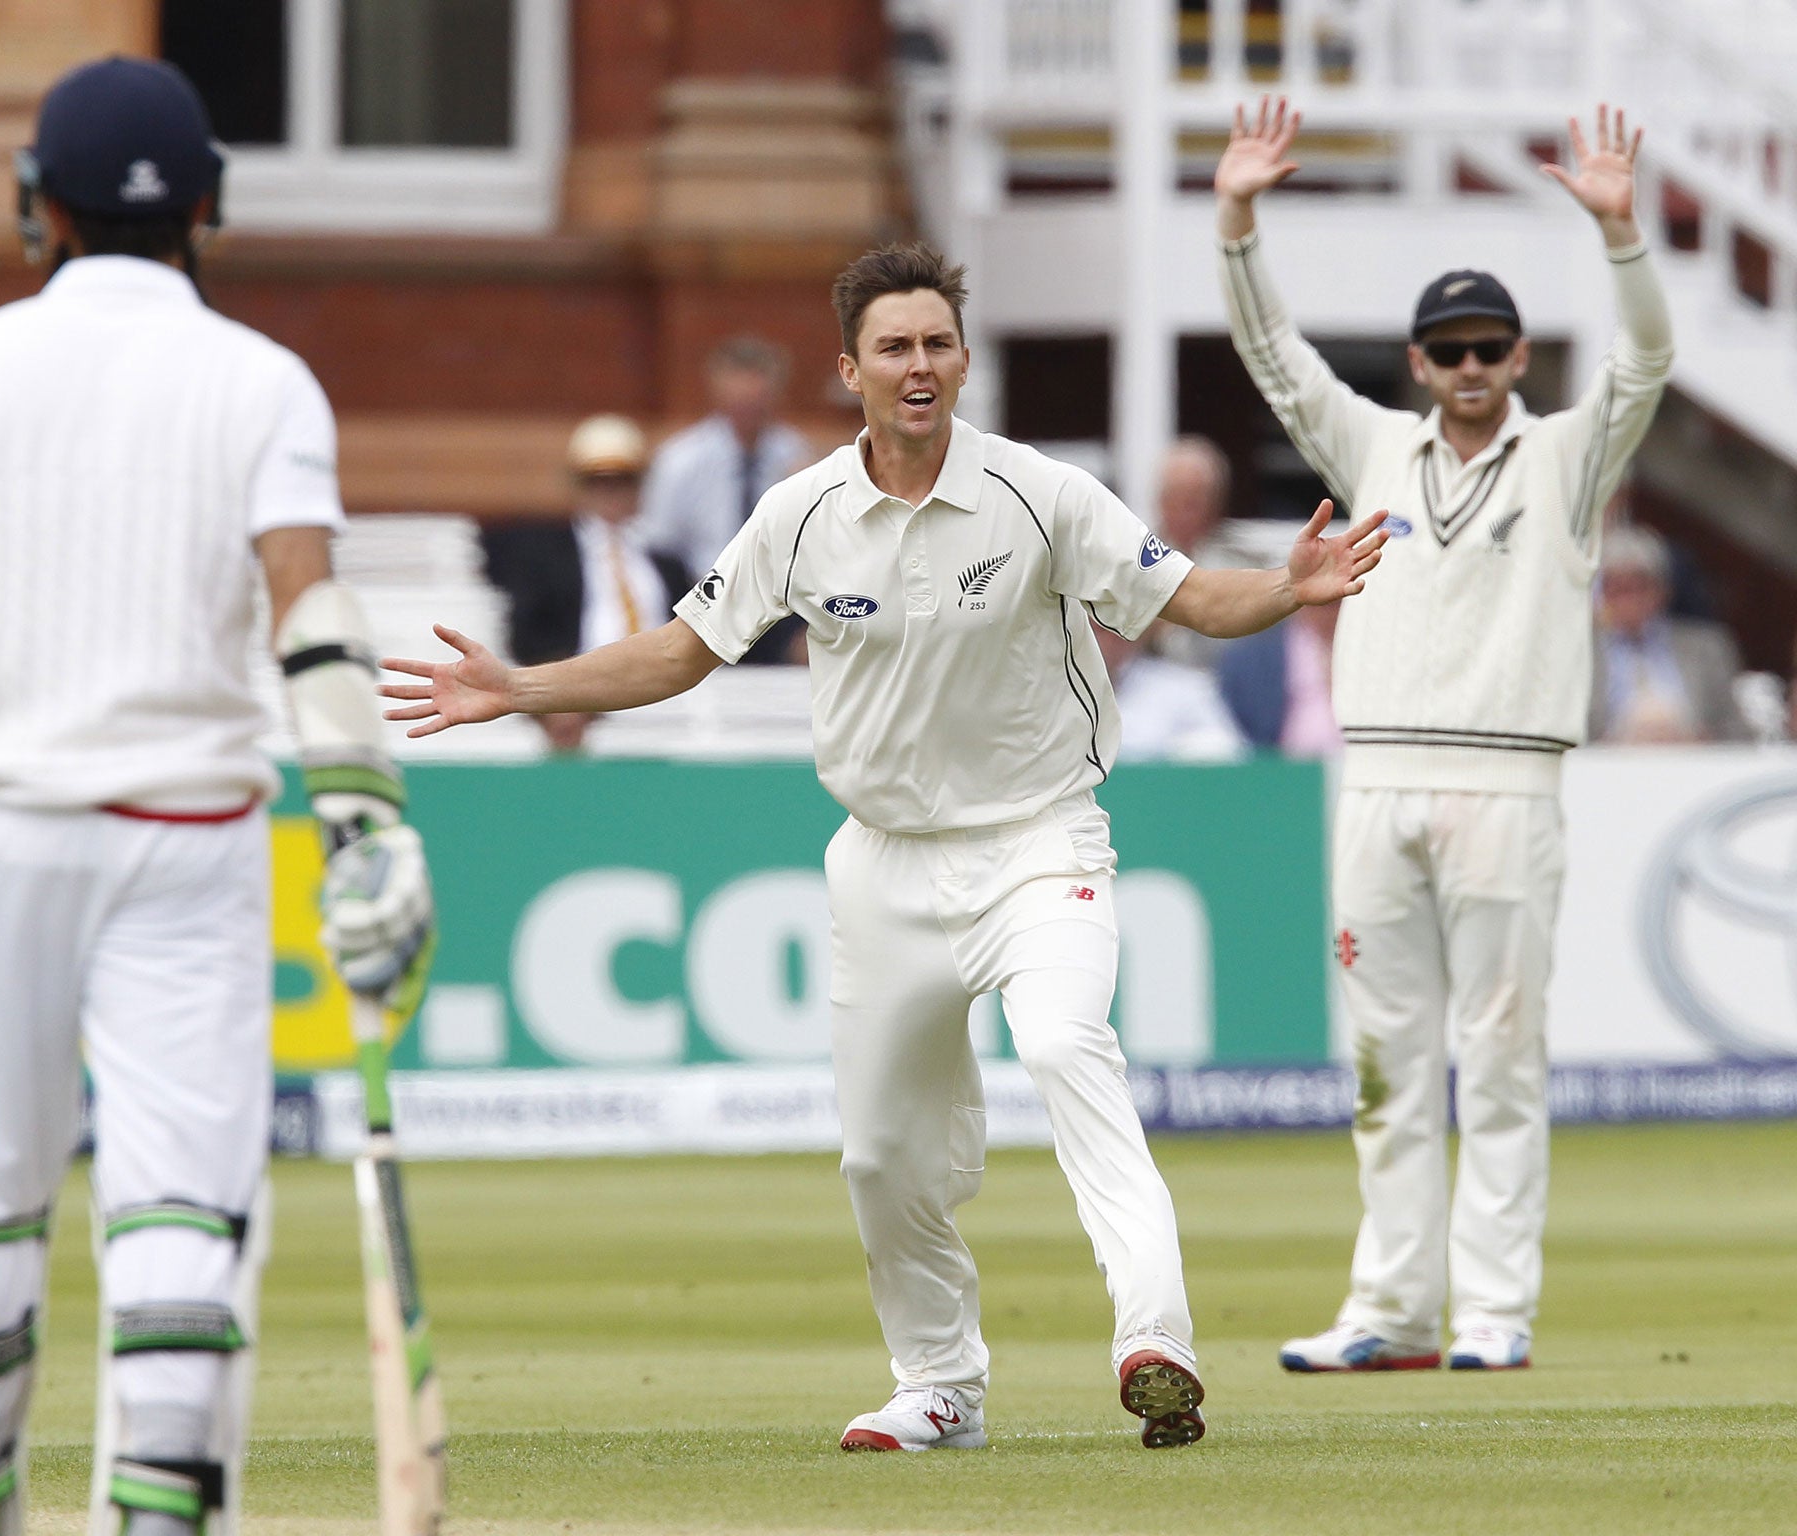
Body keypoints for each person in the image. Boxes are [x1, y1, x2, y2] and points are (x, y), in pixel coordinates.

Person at [382, 242, 1386, 1451]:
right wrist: (524, 686)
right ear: (847, 369)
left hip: (1035, 839)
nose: (919, 367)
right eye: (893, 348)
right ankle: (938, 1389)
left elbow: (1191, 601)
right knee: (878, 1156)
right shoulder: (798, 514)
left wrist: (1288, 587)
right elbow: (681, 652)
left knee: (1068, 1045)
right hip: (883, 863)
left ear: (962, 360)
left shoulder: (1040, 494)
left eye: (937, 345)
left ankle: (1153, 1339)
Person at [0, 57, 433, 1536]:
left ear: (35, 207)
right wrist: (365, 819)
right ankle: (161, 1498)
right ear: (208, 207)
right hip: (190, 836)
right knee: (181, 1204)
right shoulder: (263, 380)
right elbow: (307, 610)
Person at [1215, 98, 1671, 1373]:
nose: (1468, 369)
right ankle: (1391, 1308)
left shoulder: (1568, 459)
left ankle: (1491, 1312)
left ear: (1517, 359)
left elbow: (1643, 364)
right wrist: (1237, 218)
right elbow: (1268, 356)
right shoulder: (1367, 444)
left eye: (1489, 349)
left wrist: (1621, 236)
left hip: (1507, 784)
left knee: (1501, 1057)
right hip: (1378, 781)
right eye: (1447, 350)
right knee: (1385, 1064)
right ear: (1416, 363)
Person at [482, 414, 692, 752]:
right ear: (578, 485)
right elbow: (527, 634)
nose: (610, 493)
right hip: (583, 697)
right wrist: (562, 689)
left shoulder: (666, 563)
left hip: (669, 698)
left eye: (623, 481)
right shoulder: (546, 557)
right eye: (597, 481)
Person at [635, 334, 815, 662]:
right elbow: (658, 549)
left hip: (777, 613)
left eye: (757, 399)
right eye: (739, 399)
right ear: (718, 392)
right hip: (701, 605)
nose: (748, 407)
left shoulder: (796, 457)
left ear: (775, 394)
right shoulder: (680, 461)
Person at [1589, 524, 1746, 743]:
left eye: (1637, 587)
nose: (1627, 601)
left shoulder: (1707, 647)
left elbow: (1737, 728)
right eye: (1616, 590)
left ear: (1661, 591)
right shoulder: (1583, 653)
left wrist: (1704, 741)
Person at [1152, 436, 1272, 671]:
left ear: (1215, 504)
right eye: (1173, 498)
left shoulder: (1241, 565)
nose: (1182, 511)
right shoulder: (1140, 559)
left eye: (1192, 501)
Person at [1095, 623, 1247, 762]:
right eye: (1099, 630)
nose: (1112, 640)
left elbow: (1228, 751)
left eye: (1119, 631)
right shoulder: (1071, 695)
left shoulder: (1184, 687)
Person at [1215, 600, 1344, 757]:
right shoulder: (1253, 657)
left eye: (1335, 604)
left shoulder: (1374, 650)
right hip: (1283, 767)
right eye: (1318, 604)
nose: (1326, 613)